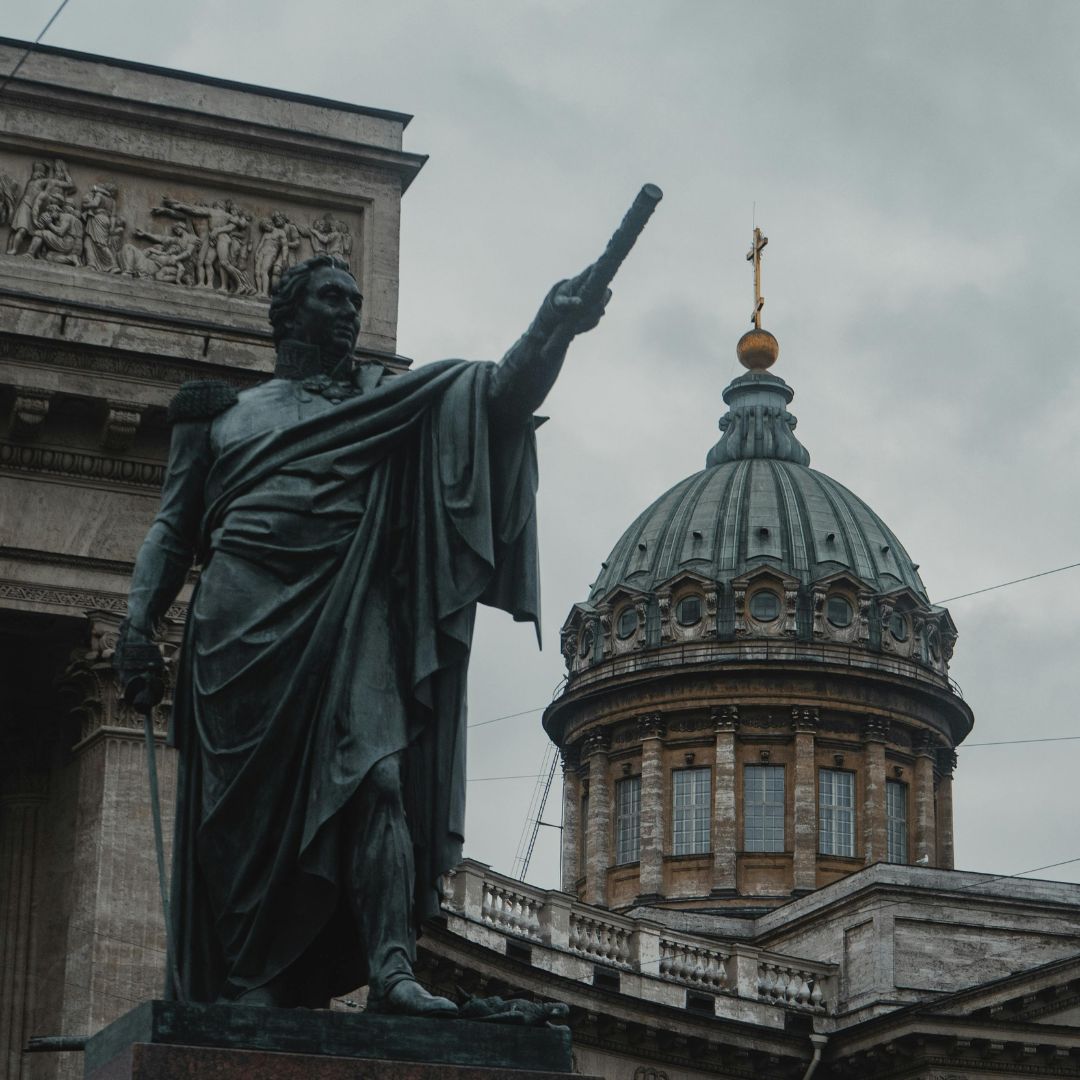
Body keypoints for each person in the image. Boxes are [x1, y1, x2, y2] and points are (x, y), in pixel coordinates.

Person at [113, 253, 608, 1015]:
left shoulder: (389, 402)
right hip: (240, 620)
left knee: (379, 777)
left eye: (354, 299)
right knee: (244, 815)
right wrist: (136, 626)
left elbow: (499, 399)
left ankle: (393, 967)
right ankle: (253, 978)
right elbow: (173, 530)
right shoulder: (219, 414)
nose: (349, 310)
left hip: (353, 604)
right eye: (331, 298)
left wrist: (554, 328)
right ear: (290, 312)